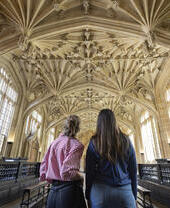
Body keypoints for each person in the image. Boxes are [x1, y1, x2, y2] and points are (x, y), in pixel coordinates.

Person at [85, 109, 137, 208]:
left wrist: (88, 195)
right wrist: (133, 195)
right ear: (114, 121)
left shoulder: (94, 142)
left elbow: (89, 172)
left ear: (99, 123)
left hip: (100, 192)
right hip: (124, 191)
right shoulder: (126, 140)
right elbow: (133, 170)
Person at [40, 115, 87, 208]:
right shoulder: (77, 145)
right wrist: (81, 176)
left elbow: (43, 166)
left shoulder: (54, 142)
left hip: (52, 191)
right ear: (78, 128)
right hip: (67, 192)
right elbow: (67, 172)